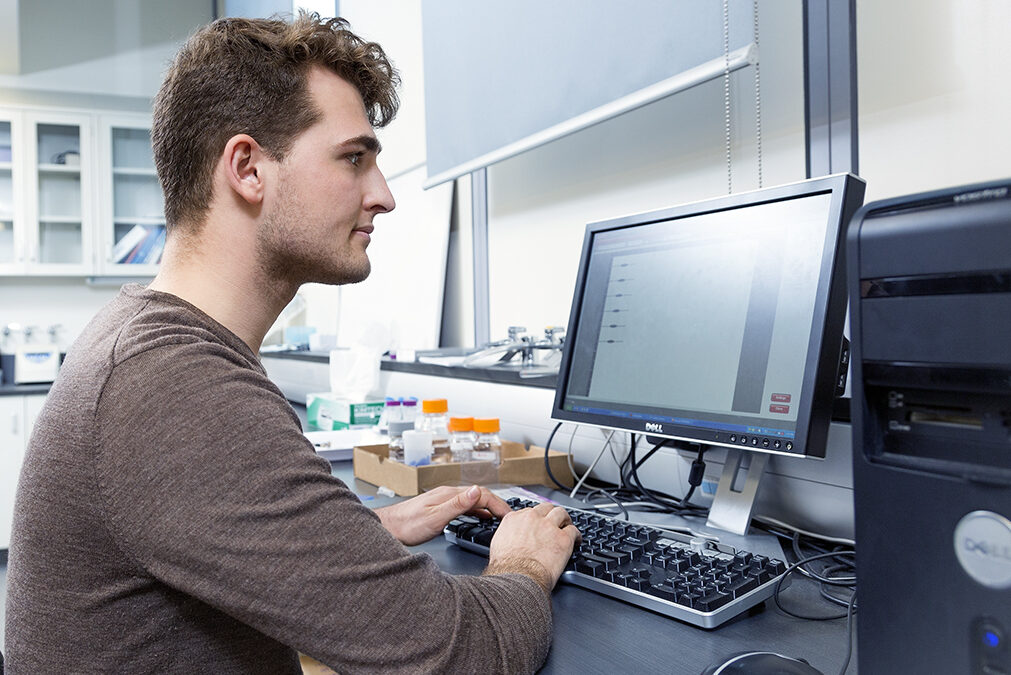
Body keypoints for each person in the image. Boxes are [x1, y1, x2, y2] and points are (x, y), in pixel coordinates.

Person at [4, 14, 580, 674]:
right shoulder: (172, 386)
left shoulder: (143, 337)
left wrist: (365, 534)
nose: (383, 196)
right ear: (248, 168)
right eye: (354, 158)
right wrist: (521, 562)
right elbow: (463, 652)